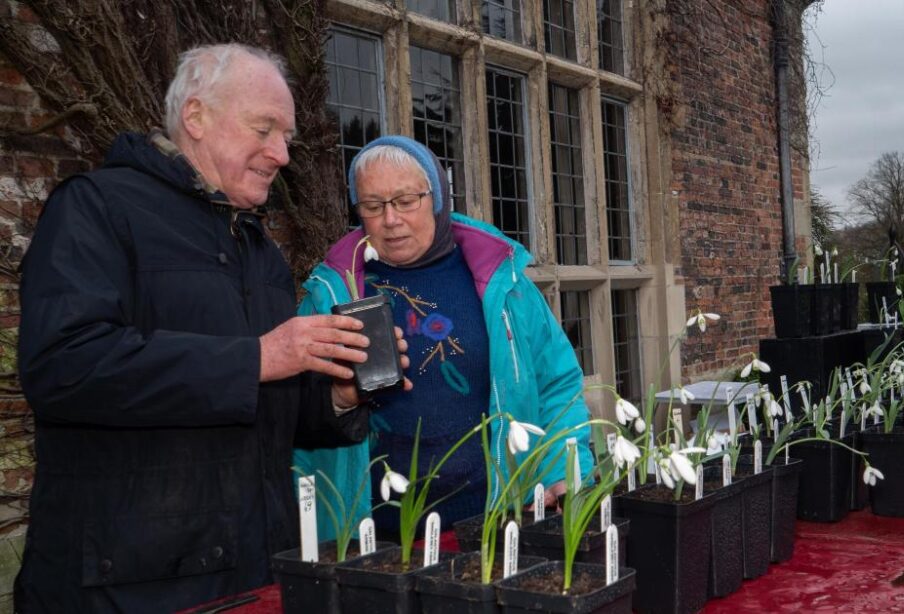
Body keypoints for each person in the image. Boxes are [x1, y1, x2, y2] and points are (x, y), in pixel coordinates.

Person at [14, 44, 408, 613]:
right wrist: (258, 359)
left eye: (288, 137)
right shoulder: (97, 209)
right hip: (129, 589)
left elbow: (270, 413)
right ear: (196, 117)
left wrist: (342, 395)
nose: (281, 154)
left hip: (253, 574)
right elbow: (63, 367)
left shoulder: (258, 249)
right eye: (264, 128)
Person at [294, 135, 594, 540]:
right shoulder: (331, 292)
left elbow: (556, 381)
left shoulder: (500, 281)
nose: (390, 219)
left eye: (405, 200)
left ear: (436, 197)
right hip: (373, 533)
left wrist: (563, 467)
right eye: (372, 205)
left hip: (493, 518)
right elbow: (295, 408)